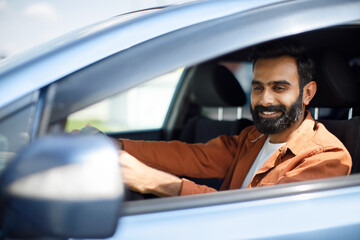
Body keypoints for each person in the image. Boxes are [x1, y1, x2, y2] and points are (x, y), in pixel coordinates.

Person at [118, 41, 352, 197]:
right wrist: (117, 147)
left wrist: (158, 183)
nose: (265, 100)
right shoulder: (253, 138)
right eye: (258, 88)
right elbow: (193, 156)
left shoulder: (327, 157)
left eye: (279, 88)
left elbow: (260, 217)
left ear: (308, 93)